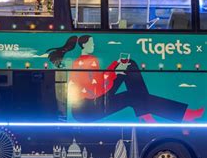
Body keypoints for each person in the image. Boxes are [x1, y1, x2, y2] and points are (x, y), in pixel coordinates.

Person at [46, 35, 204, 123]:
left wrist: (116, 67)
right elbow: (95, 90)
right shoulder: (81, 63)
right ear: (85, 45)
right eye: (92, 43)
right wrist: (115, 72)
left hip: (93, 103)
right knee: (132, 96)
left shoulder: (90, 59)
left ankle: (144, 112)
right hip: (86, 110)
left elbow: (99, 80)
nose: (94, 45)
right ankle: (179, 114)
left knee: (129, 64)